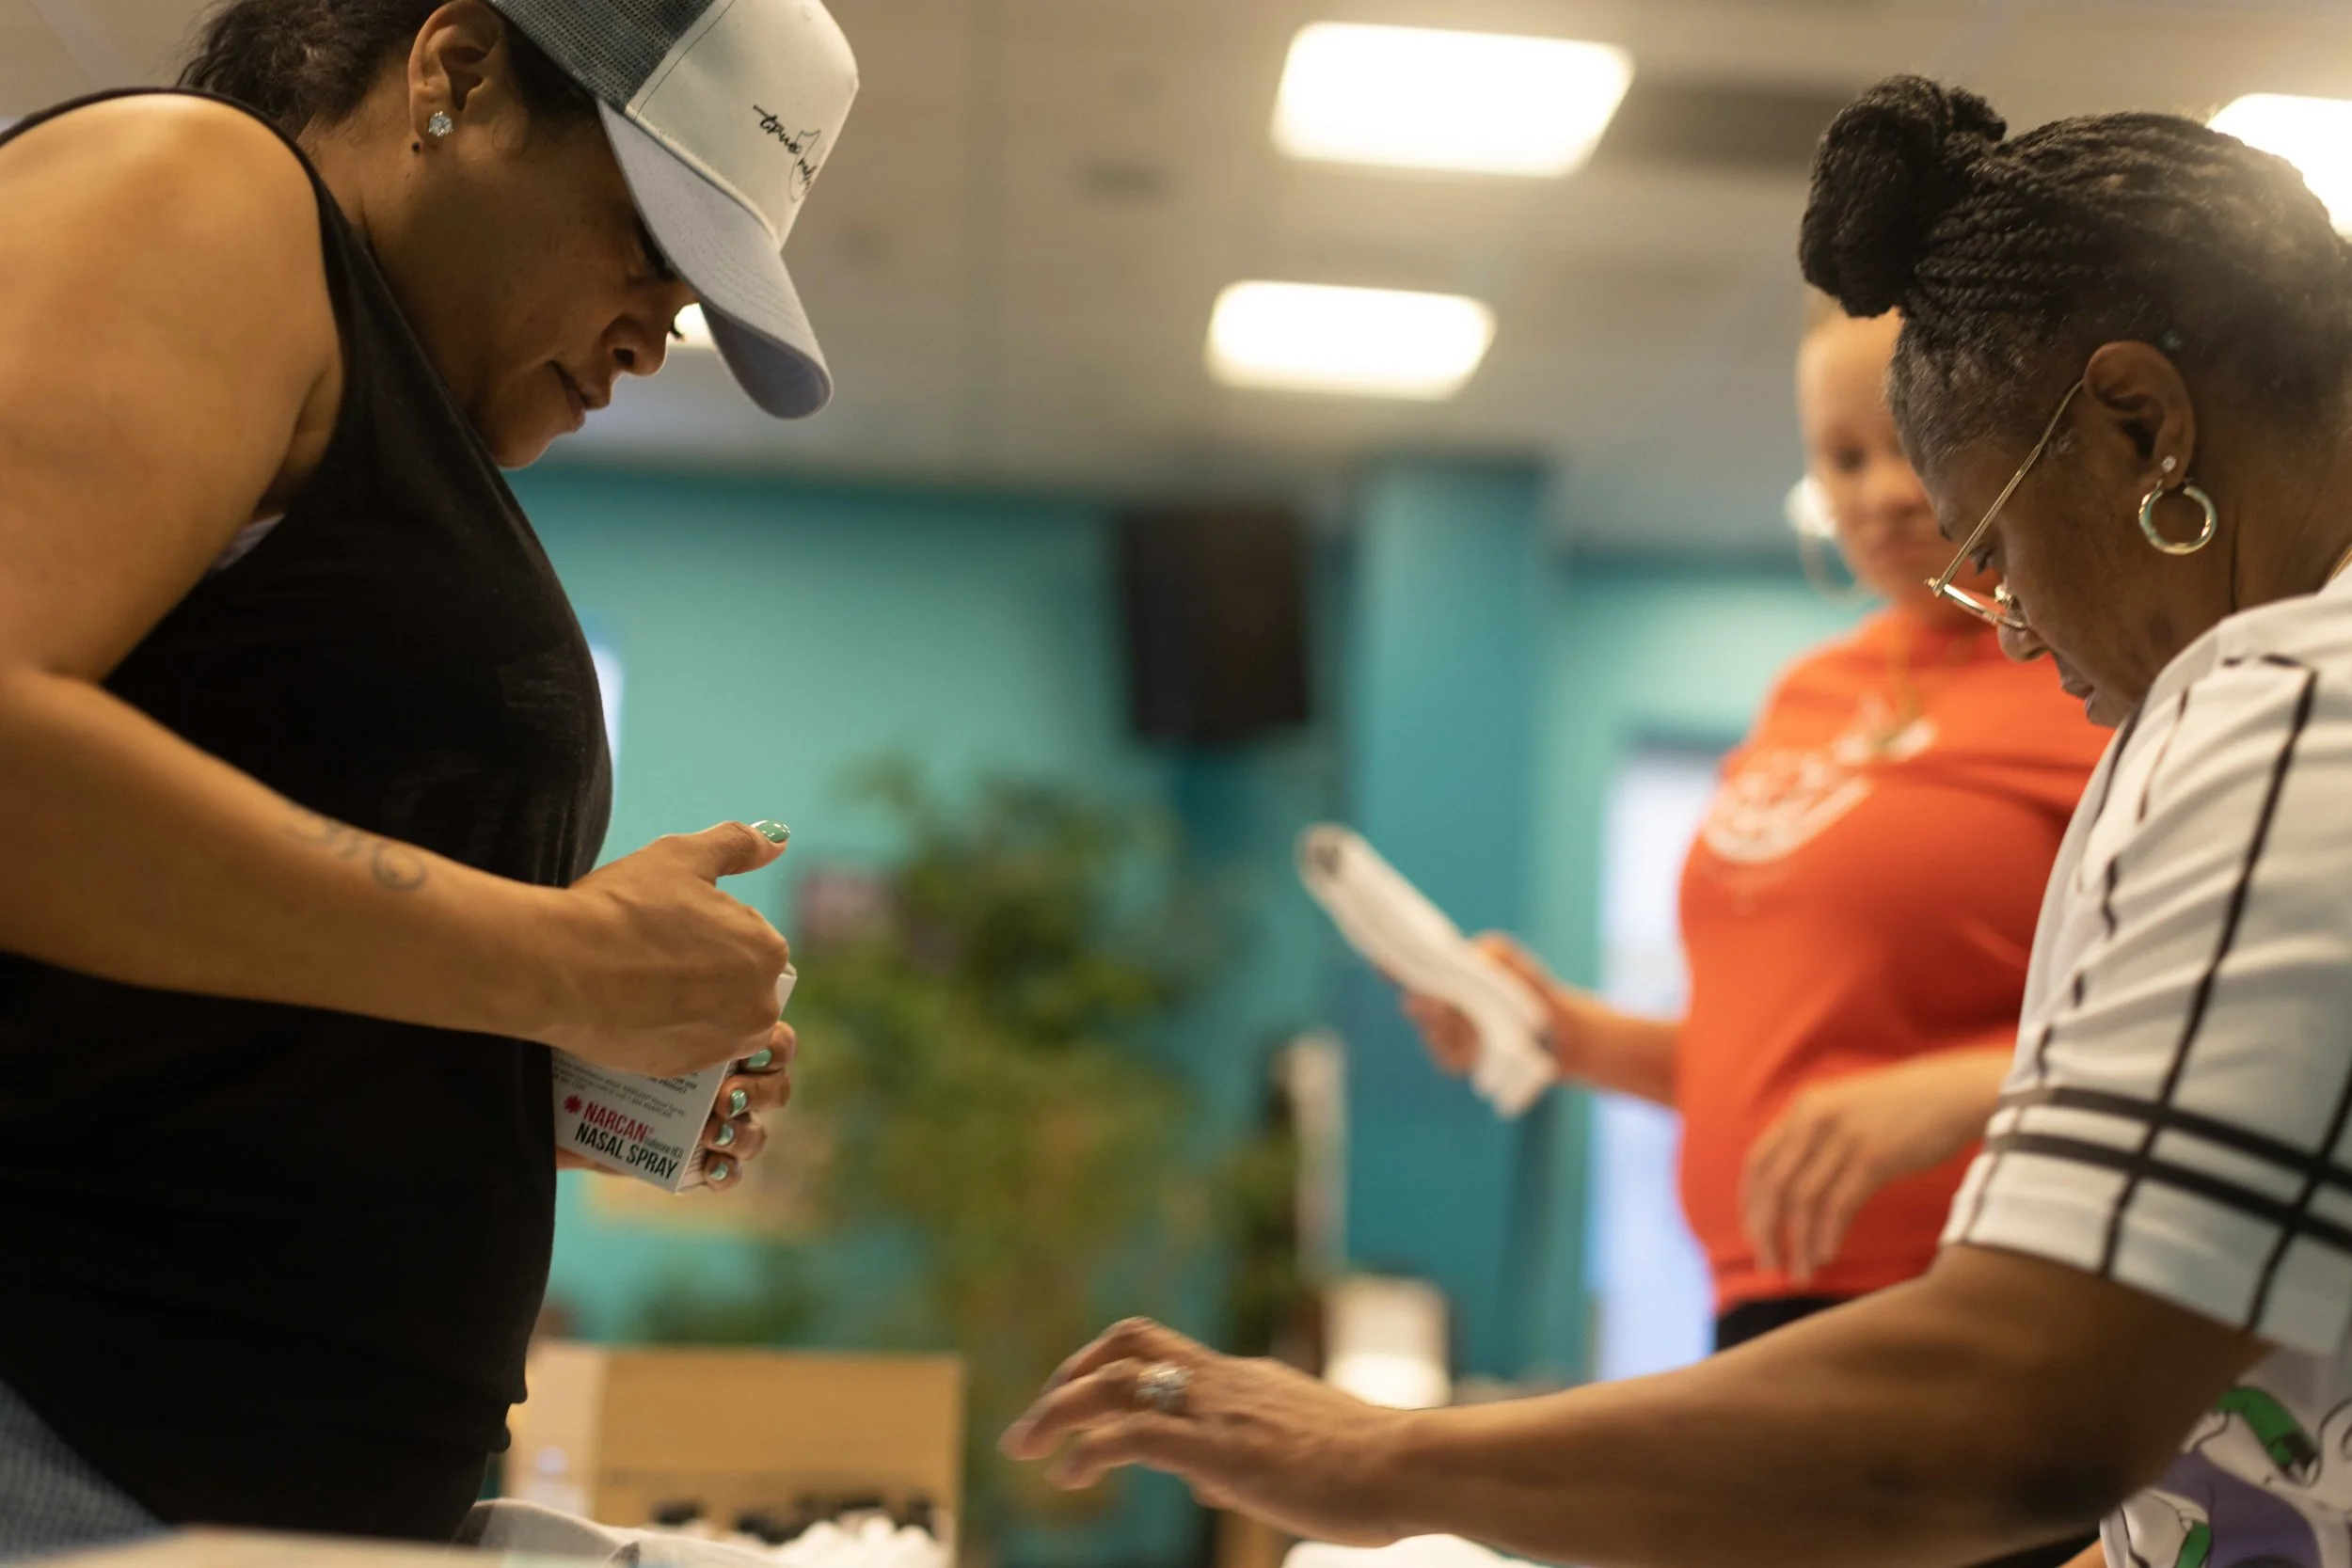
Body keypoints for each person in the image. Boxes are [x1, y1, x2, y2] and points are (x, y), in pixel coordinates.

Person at [1007, 76, 2352, 1568]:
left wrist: (1384, 1455)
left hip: (1929, 1349)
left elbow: (2029, 1400)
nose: (2018, 626)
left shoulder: (2285, 699)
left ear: (2140, 423)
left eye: (1999, 552)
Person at [0, 0, 857, 1551]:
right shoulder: (200, 186)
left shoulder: (394, 407)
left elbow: (169, 987)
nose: (655, 337)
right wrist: (551, 965)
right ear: (454, 75)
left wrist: (564, 1059)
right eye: (643, 243)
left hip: (238, 1485)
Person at [1407, 297, 2105, 1364]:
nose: (1873, 493)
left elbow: (2221, 1027)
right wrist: (1572, 1033)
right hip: (1759, 1291)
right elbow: (1781, 1059)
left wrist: (1970, 1083)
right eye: (1839, 456)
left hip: (1974, 1287)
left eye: (1903, 444)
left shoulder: (2095, 679)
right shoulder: (1810, 691)